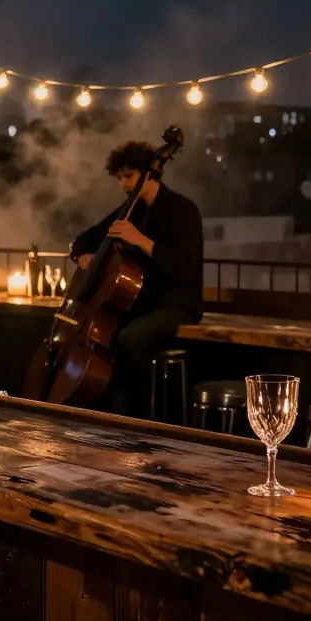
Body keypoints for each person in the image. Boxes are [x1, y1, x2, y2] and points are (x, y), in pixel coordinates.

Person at [69, 140, 203, 416]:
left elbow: (184, 268)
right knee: (106, 336)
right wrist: (81, 253)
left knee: (130, 340)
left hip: (175, 304)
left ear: (150, 173)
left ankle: (141, 419)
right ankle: (105, 415)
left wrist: (139, 240)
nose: (123, 184)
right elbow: (86, 238)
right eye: (119, 177)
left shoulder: (183, 210)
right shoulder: (133, 209)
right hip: (141, 303)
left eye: (128, 176)